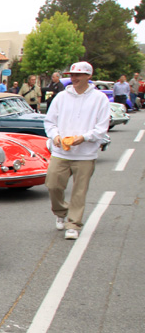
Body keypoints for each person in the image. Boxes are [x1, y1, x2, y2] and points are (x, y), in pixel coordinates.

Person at [43, 61, 110, 241]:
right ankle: (60, 212)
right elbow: (50, 121)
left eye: (78, 75)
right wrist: (55, 136)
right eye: (72, 75)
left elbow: (102, 127)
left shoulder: (100, 98)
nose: (74, 78)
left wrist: (84, 137)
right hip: (61, 152)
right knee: (53, 184)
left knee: (79, 191)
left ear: (88, 76)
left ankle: (73, 224)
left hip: (86, 154)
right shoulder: (61, 97)